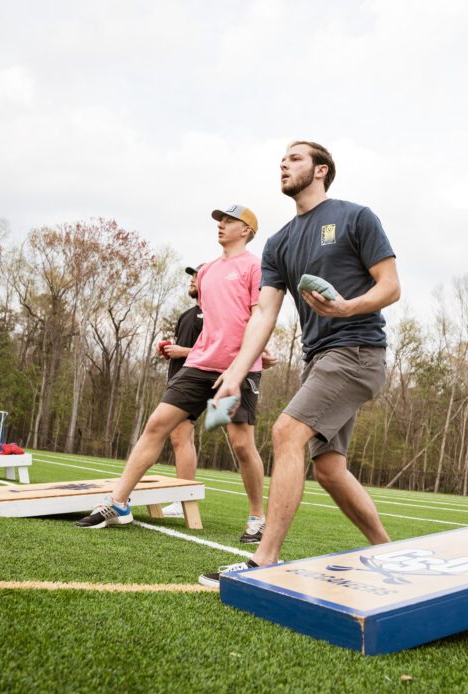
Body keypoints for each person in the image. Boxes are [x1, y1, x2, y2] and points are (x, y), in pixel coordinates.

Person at [199, 141, 401, 587]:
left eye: (294, 159)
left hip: (358, 350)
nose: (284, 166)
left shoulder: (356, 217)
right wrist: (234, 373)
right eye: (281, 161)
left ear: (321, 170)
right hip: (319, 360)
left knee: (286, 432)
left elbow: (391, 286)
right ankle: (389, 553)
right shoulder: (279, 243)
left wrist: (349, 308)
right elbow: (264, 313)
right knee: (329, 469)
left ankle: (264, 560)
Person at [78, 204, 270, 543]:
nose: (221, 226)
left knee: (241, 444)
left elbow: (258, 315)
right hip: (199, 365)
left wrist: (255, 352)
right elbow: (214, 320)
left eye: (229, 221)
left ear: (246, 230)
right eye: (219, 221)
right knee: (156, 425)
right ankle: (117, 503)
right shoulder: (207, 271)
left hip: (238, 369)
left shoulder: (255, 267)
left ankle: (258, 518)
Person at [154, 265, 203, 518]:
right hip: (177, 380)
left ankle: (183, 501)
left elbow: (218, 349)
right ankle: (183, 500)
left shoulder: (214, 314)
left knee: (179, 435)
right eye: (191, 277)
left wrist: (183, 352)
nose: (192, 281)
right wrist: (169, 351)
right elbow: (183, 348)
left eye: (196, 277)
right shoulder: (186, 315)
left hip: (195, 382)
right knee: (181, 436)